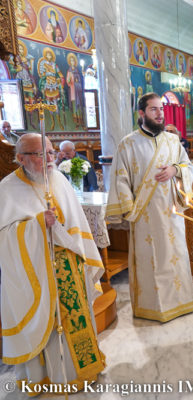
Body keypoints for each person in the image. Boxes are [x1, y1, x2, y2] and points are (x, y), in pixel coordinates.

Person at [0, 133, 105, 392]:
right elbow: (4, 237)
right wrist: (38, 224)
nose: (49, 159)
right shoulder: (7, 188)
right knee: (46, 323)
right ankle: (48, 378)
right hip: (36, 272)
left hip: (69, 266)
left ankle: (80, 371)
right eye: (40, 154)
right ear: (21, 158)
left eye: (50, 152)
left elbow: (76, 222)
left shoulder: (59, 179)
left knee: (76, 320)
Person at [106, 92, 193, 322]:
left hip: (172, 213)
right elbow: (120, 179)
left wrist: (175, 170)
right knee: (151, 261)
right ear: (142, 113)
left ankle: (181, 302)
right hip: (145, 216)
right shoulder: (128, 144)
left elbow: (188, 166)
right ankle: (152, 307)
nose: (160, 114)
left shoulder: (173, 141)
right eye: (154, 109)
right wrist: (130, 210)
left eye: (161, 109)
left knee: (175, 257)